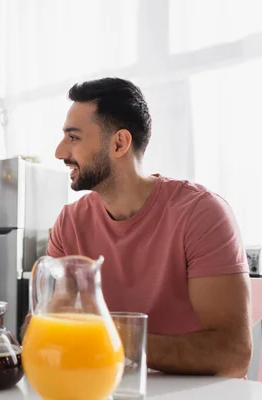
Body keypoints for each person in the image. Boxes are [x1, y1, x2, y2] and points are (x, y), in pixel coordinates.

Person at [24, 78, 252, 378]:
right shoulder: (70, 223)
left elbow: (233, 355)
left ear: (119, 143)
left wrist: (110, 336)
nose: (59, 152)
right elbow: (47, 325)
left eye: (74, 138)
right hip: (109, 389)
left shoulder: (202, 214)